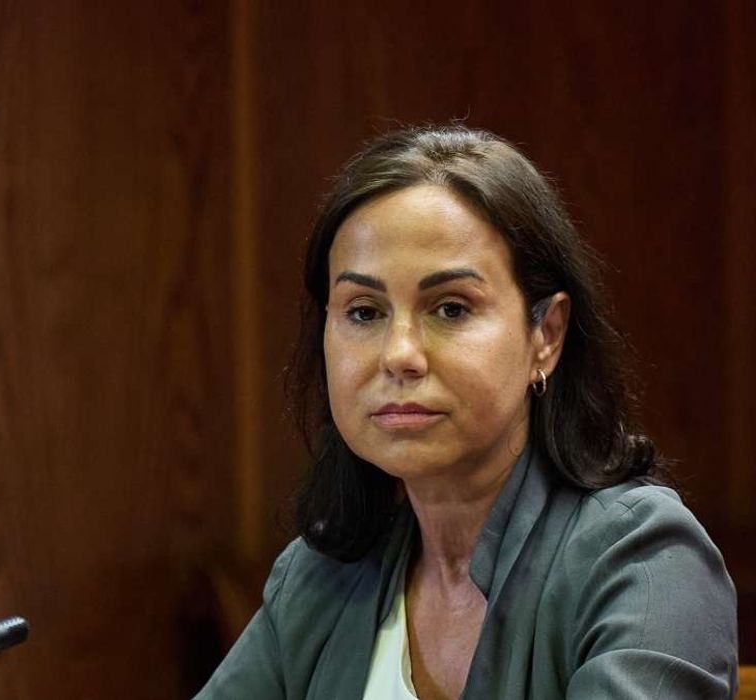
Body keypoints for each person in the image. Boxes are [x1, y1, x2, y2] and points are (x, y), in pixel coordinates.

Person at [193, 126, 738, 699]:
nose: (399, 355)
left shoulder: (643, 562)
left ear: (546, 336)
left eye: (450, 309)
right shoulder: (318, 578)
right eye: (364, 312)